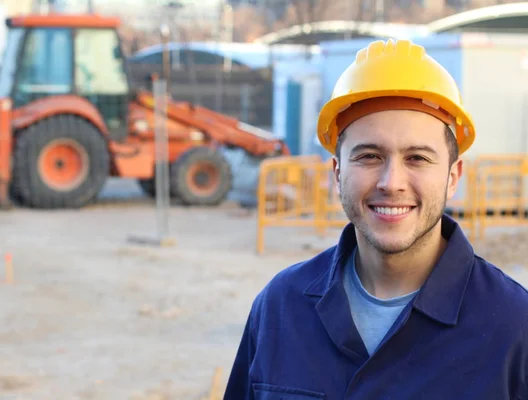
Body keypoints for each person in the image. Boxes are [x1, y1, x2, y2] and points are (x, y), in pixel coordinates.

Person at [224, 38, 528, 399]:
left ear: (452, 176)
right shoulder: (281, 308)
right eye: (369, 156)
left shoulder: (513, 328)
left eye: (417, 158)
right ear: (336, 173)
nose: (391, 183)